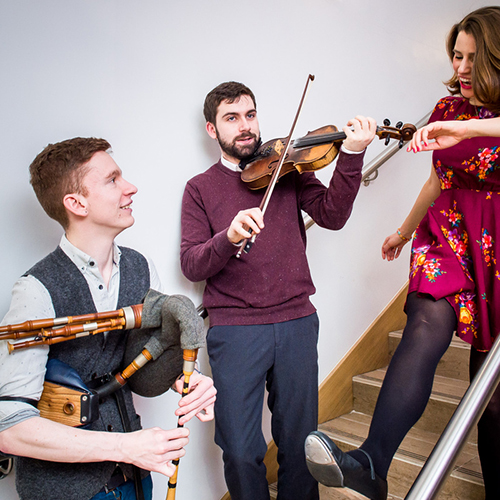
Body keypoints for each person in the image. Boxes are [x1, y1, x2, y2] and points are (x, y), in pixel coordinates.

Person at [305, 6, 500, 500]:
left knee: (492, 399)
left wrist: (473, 129)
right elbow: (439, 179)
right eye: (456, 56)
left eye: (473, 59)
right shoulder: (445, 107)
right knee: (426, 318)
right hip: (450, 234)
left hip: (497, 244)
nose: (460, 68)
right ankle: (372, 462)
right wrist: (404, 229)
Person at [180, 80, 377, 499]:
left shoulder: (288, 169)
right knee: (238, 448)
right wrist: (228, 237)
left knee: (300, 443)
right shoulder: (199, 187)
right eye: (232, 118)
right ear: (213, 130)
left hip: (297, 322)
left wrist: (353, 155)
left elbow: (333, 215)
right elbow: (191, 262)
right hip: (235, 331)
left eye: (250, 115)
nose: (245, 126)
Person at [0, 137, 217, 500]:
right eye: (113, 180)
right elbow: (10, 428)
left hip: (134, 479)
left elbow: (144, 366)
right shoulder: (35, 290)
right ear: (76, 203)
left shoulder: (140, 268)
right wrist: (124, 448)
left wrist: (189, 381)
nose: (130, 188)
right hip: (64, 492)